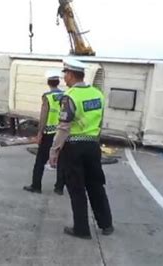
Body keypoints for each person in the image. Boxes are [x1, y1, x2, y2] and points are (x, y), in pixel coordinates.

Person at [49, 58, 114, 239]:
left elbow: (64, 127)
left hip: (74, 147)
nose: (65, 78)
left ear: (70, 74)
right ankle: (106, 224)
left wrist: (54, 151)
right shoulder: (98, 94)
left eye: (66, 75)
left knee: (77, 189)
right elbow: (99, 122)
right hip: (92, 146)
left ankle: (82, 229)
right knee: (96, 185)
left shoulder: (70, 96)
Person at [23, 70, 65, 195]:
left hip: (49, 132)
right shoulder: (65, 95)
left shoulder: (47, 96)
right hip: (61, 132)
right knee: (61, 159)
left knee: (40, 160)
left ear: (48, 83)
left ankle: (36, 185)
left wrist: (39, 132)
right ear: (58, 82)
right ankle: (59, 188)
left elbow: (44, 115)